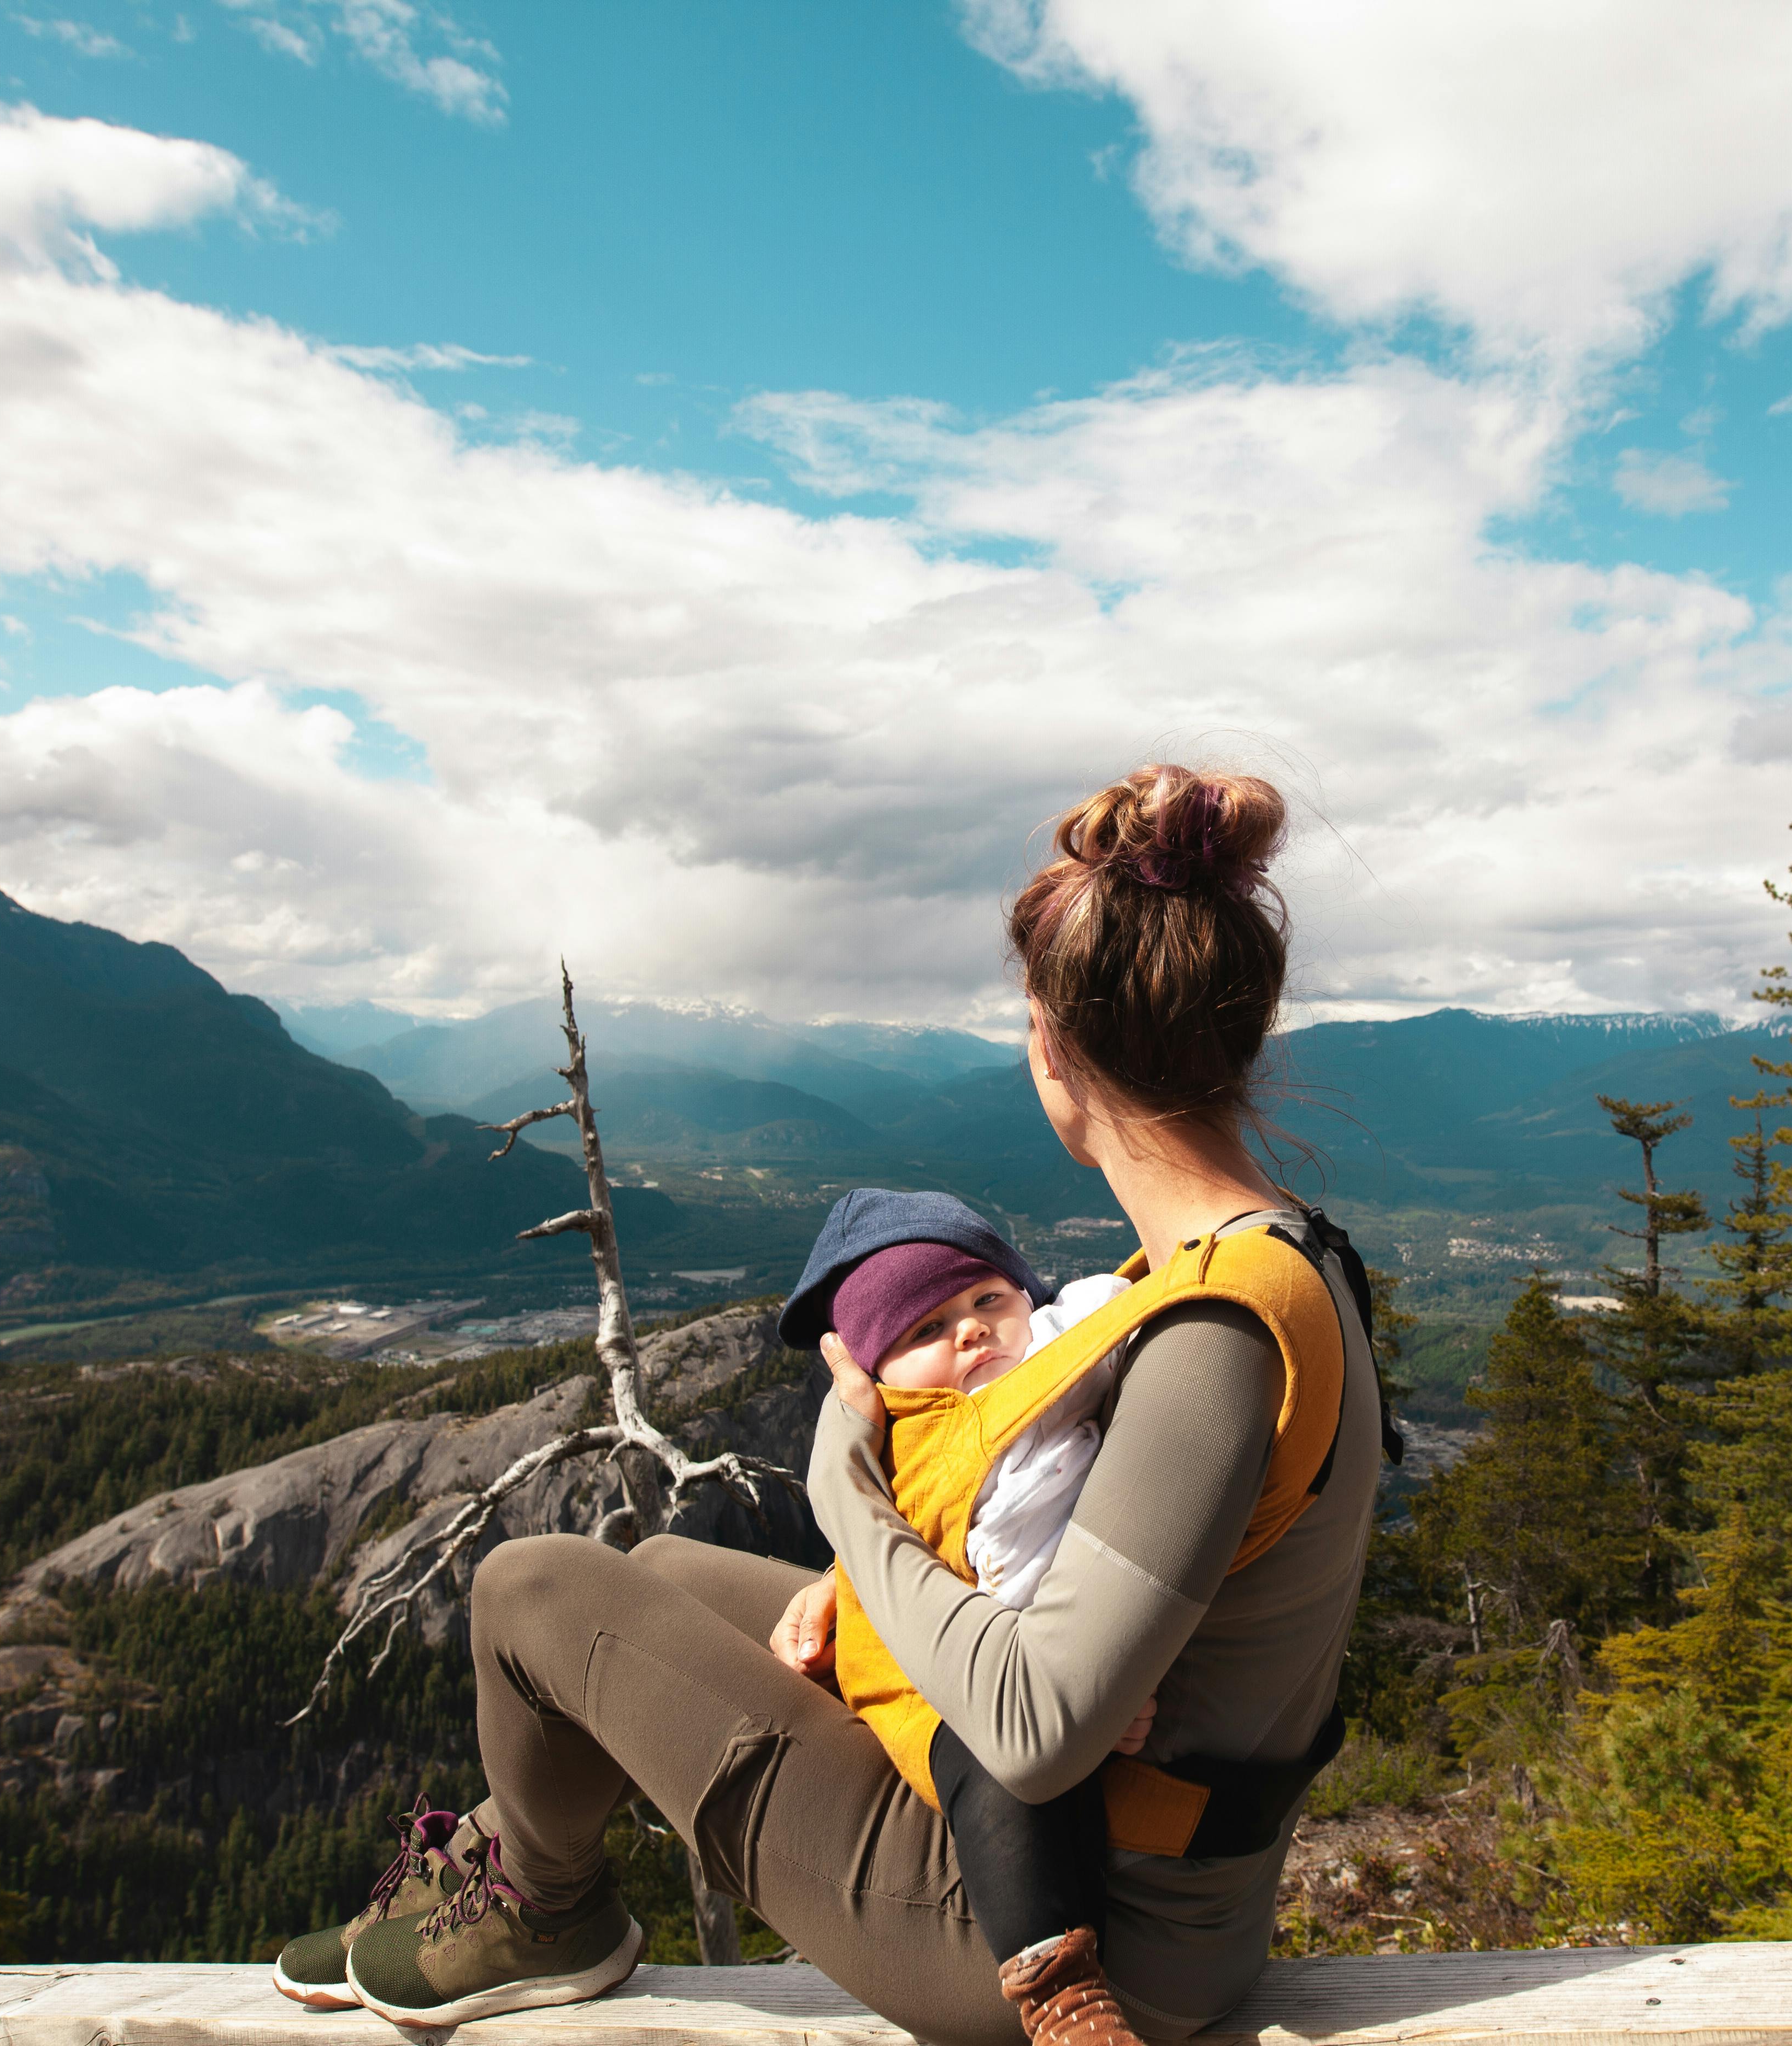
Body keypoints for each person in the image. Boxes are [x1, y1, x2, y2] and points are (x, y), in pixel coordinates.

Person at [281, 762, 1384, 2046]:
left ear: (1051, 1048)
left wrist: (848, 1500)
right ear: (1243, 1030)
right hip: (1140, 1869)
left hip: (1073, 1935)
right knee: (667, 1578)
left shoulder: (1211, 1335)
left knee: (531, 1589)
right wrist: (873, 1584)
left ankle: (543, 1907)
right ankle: (492, 1872)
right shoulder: (1272, 1260)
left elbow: (1032, 1731)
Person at [763, 1195, 1141, 2040]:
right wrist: (839, 1576)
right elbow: (915, 1536)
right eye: (925, 1330)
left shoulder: (1064, 1359)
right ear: (877, 1376)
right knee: (1004, 1776)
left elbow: (1120, 1308)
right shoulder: (911, 1441)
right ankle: (1062, 1997)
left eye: (986, 1301)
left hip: (1068, 1651)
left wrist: (1113, 1678)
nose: (971, 1332)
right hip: (938, 1680)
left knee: (1047, 1760)